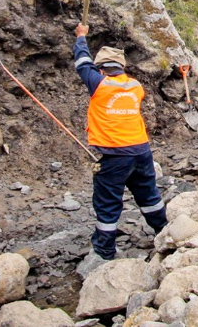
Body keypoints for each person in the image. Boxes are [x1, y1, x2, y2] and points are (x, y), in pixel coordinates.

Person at [72, 24, 166, 261]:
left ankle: (105, 252)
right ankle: (164, 232)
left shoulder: (100, 84)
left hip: (114, 155)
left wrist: (81, 37)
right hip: (142, 151)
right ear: (122, 68)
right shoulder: (135, 86)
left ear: (101, 69)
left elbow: (82, 62)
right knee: (149, 195)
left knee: (108, 201)